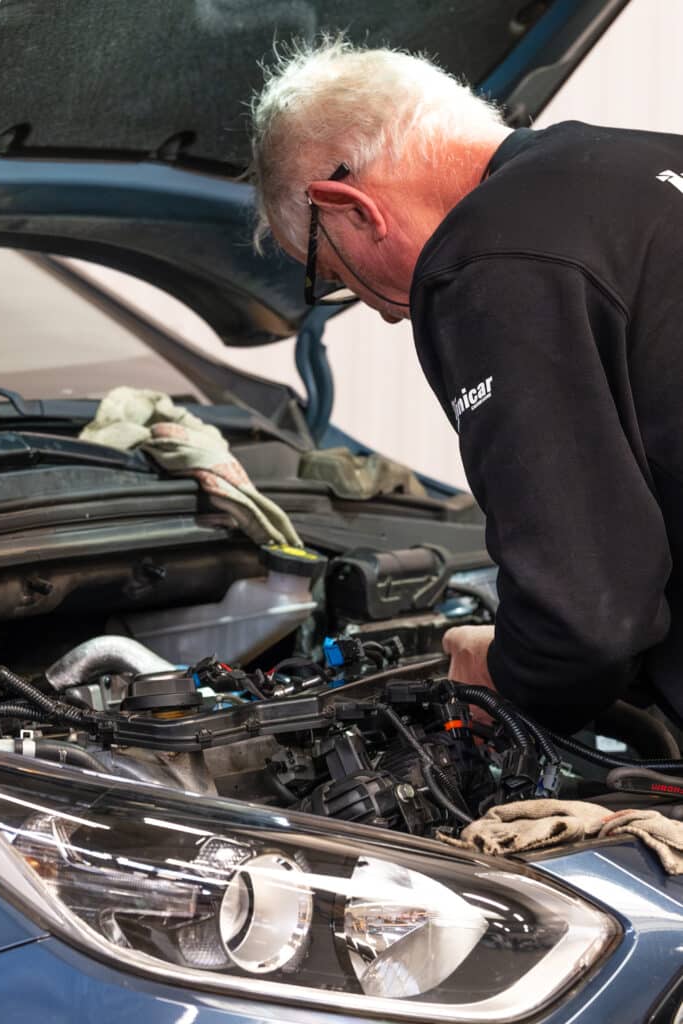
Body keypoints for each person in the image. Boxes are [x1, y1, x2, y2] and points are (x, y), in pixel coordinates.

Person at [248, 37, 683, 730]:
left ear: (349, 206)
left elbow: (586, 622)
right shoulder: (650, 161)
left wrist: (506, 680)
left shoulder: (491, 259)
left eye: (329, 275)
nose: (388, 314)